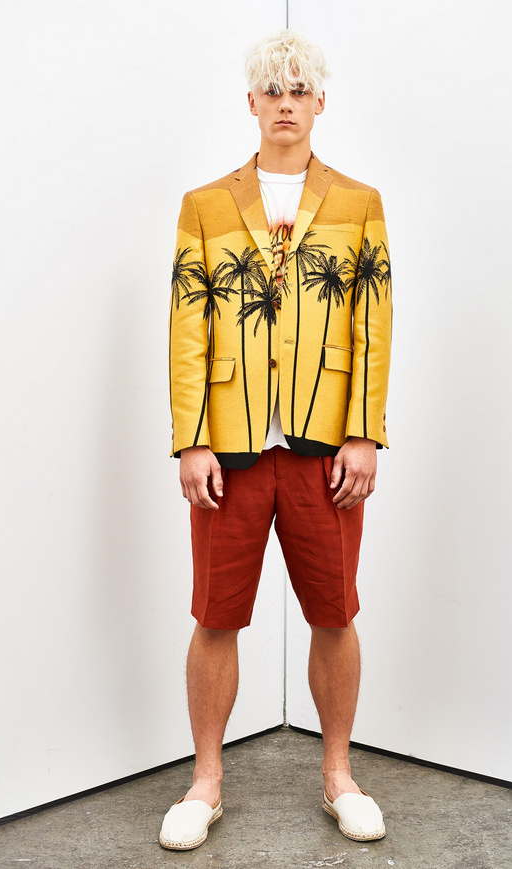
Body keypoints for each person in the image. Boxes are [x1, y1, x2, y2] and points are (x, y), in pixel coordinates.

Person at [160, 29, 393, 851]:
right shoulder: (205, 205)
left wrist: (364, 432)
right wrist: (191, 438)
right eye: (273, 89)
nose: (286, 103)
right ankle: (206, 781)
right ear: (251, 102)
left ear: (320, 101)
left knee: (334, 610)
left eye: (299, 89)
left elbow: (372, 326)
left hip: (324, 448)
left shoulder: (360, 203)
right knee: (215, 614)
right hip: (229, 448)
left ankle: (339, 775)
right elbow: (188, 329)